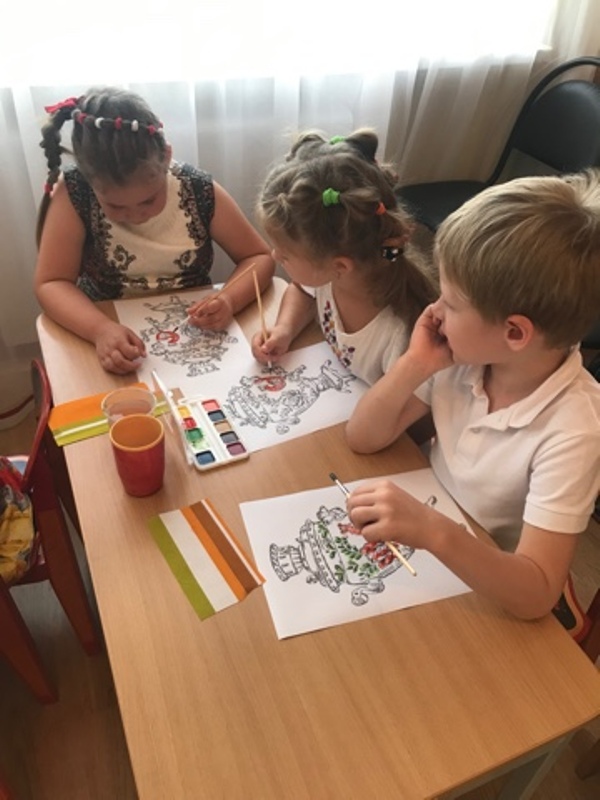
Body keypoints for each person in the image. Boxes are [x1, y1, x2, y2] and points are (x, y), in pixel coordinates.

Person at [345, 170, 600, 620]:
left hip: (494, 580)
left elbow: (537, 593)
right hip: (436, 544)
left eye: (451, 303)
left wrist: (433, 530)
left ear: (515, 333)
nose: (433, 312)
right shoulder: (464, 356)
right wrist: (414, 363)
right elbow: (362, 437)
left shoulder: (576, 429)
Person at [35, 86, 274, 375]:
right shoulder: (73, 192)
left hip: (194, 335)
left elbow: (259, 257)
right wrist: (99, 330)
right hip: (103, 331)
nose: (136, 216)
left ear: (167, 157)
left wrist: (228, 299)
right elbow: (52, 283)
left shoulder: (198, 189)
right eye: (116, 206)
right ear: (88, 180)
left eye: (149, 200)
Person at [251, 130, 437, 386]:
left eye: (285, 255)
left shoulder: (401, 335)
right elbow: (302, 291)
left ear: (339, 266)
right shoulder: (332, 276)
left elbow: (404, 408)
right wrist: (284, 329)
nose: (275, 255)